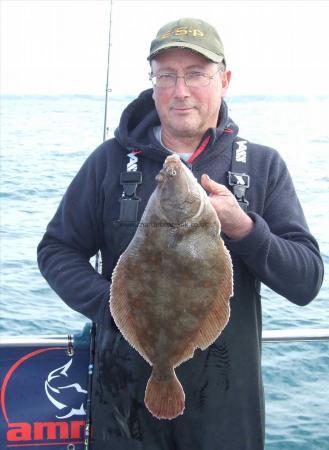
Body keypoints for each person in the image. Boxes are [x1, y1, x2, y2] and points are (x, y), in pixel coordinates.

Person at [37, 18, 323, 450]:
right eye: (166, 75)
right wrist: (114, 307)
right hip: (123, 402)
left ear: (224, 81)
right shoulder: (109, 162)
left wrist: (245, 229)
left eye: (196, 74)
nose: (180, 90)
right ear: (152, 84)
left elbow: (306, 282)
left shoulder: (263, 166)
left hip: (228, 403)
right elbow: (57, 250)